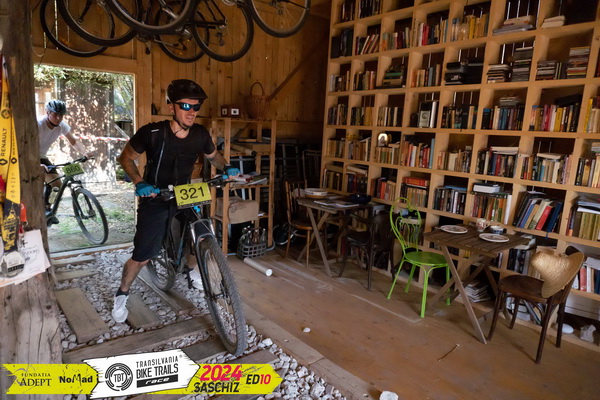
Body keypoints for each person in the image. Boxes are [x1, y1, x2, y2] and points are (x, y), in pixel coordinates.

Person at [112, 79, 240, 323]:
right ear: (171, 107)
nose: (191, 112)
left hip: (184, 193)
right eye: (185, 106)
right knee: (143, 255)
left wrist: (226, 167)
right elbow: (125, 158)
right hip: (156, 196)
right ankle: (122, 293)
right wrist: (139, 181)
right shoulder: (152, 133)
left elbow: (214, 156)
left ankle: (192, 270)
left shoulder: (200, 134)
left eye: (196, 107)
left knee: (200, 232)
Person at [39, 99, 92, 216]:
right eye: (55, 114)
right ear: (47, 112)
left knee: (57, 184)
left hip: (42, 156)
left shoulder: (61, 125)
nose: (58, 118)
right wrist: (36, 164)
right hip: (28, 156)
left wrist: (84, 152)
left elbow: (74, 141)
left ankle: (47, 209)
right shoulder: (38, 124)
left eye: (61, 115)